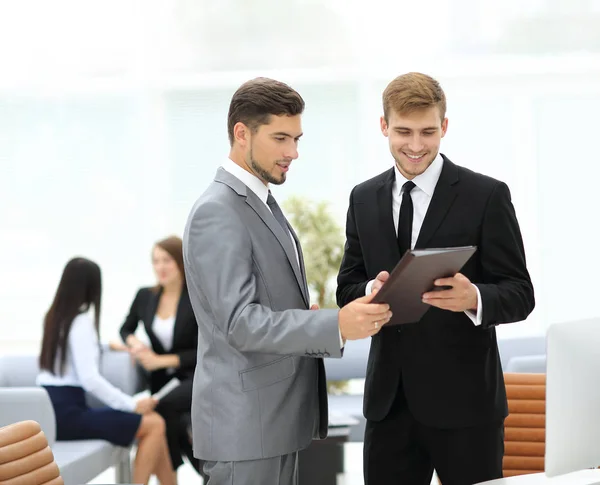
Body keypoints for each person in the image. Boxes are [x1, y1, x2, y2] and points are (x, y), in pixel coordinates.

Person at [182, 77, 392, 485]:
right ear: (241, 133)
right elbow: (240, 323)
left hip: (269, 425)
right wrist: (333, 325)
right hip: (245, 430)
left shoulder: (259, 200)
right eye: (280, 138)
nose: (293, 153)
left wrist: (309, 318)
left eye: (296, 139)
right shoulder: (218, 211)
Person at [336, 72, 535, 485]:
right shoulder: (363, 197)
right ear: (383, 127)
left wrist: (474, 297)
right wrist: (371, 291)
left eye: (428, 132)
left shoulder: (486, 195)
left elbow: (520, 293)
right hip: (388, 406)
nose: (415, 145)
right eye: (403, 131)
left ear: (444, 127)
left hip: (466, 408)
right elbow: (348, 284)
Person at [37, 257, 175, 485]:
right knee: (155, 424)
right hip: (69, 414)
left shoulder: (53, 318)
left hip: (49, 411)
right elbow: (90, 379)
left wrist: (105, 345)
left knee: (154, 428)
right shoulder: (82, 322)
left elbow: (70, 352)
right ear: (92, 288)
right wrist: (131, 404)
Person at [119, 235, 204, 482]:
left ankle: (182, 470)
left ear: (180, 261)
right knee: (169, 419)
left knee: (162, 407)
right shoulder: (145, 296)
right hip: (161, 382)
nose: (160, 267)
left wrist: (161, 361)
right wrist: (136, 345)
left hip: (193, 376)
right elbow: (126, 329)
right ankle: (200, 472)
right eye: (155, 261)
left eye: (166, 260)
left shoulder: (197, 299)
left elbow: (205, 349)